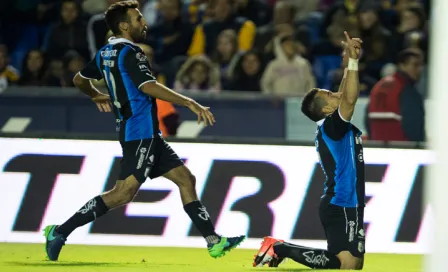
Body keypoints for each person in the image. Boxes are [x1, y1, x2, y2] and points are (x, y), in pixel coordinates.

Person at [43, 0, 245, 262]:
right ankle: (59, 231)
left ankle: (214, 241)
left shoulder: (106, 52)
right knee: (123, 193)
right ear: (125, 26)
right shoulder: (131, 52)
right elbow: (147, 86)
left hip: (143, 131)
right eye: (139, 19)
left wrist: (95, 94)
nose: (145, 22)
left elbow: (80, 79)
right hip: (140, 131)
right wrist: (189, 102)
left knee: (186, 179)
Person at [253, 32, 365, 270]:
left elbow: (346, 95)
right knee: (347, 265)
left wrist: (348, 61)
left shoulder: (330, 125)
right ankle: (280, 248)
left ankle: (280, 247)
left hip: (346, 203)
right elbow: (350, 100)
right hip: (342, 202)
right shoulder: (334, 125)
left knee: (350, 265)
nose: (336, 94)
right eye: (330, 95)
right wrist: (353, 64)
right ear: (326, 109)